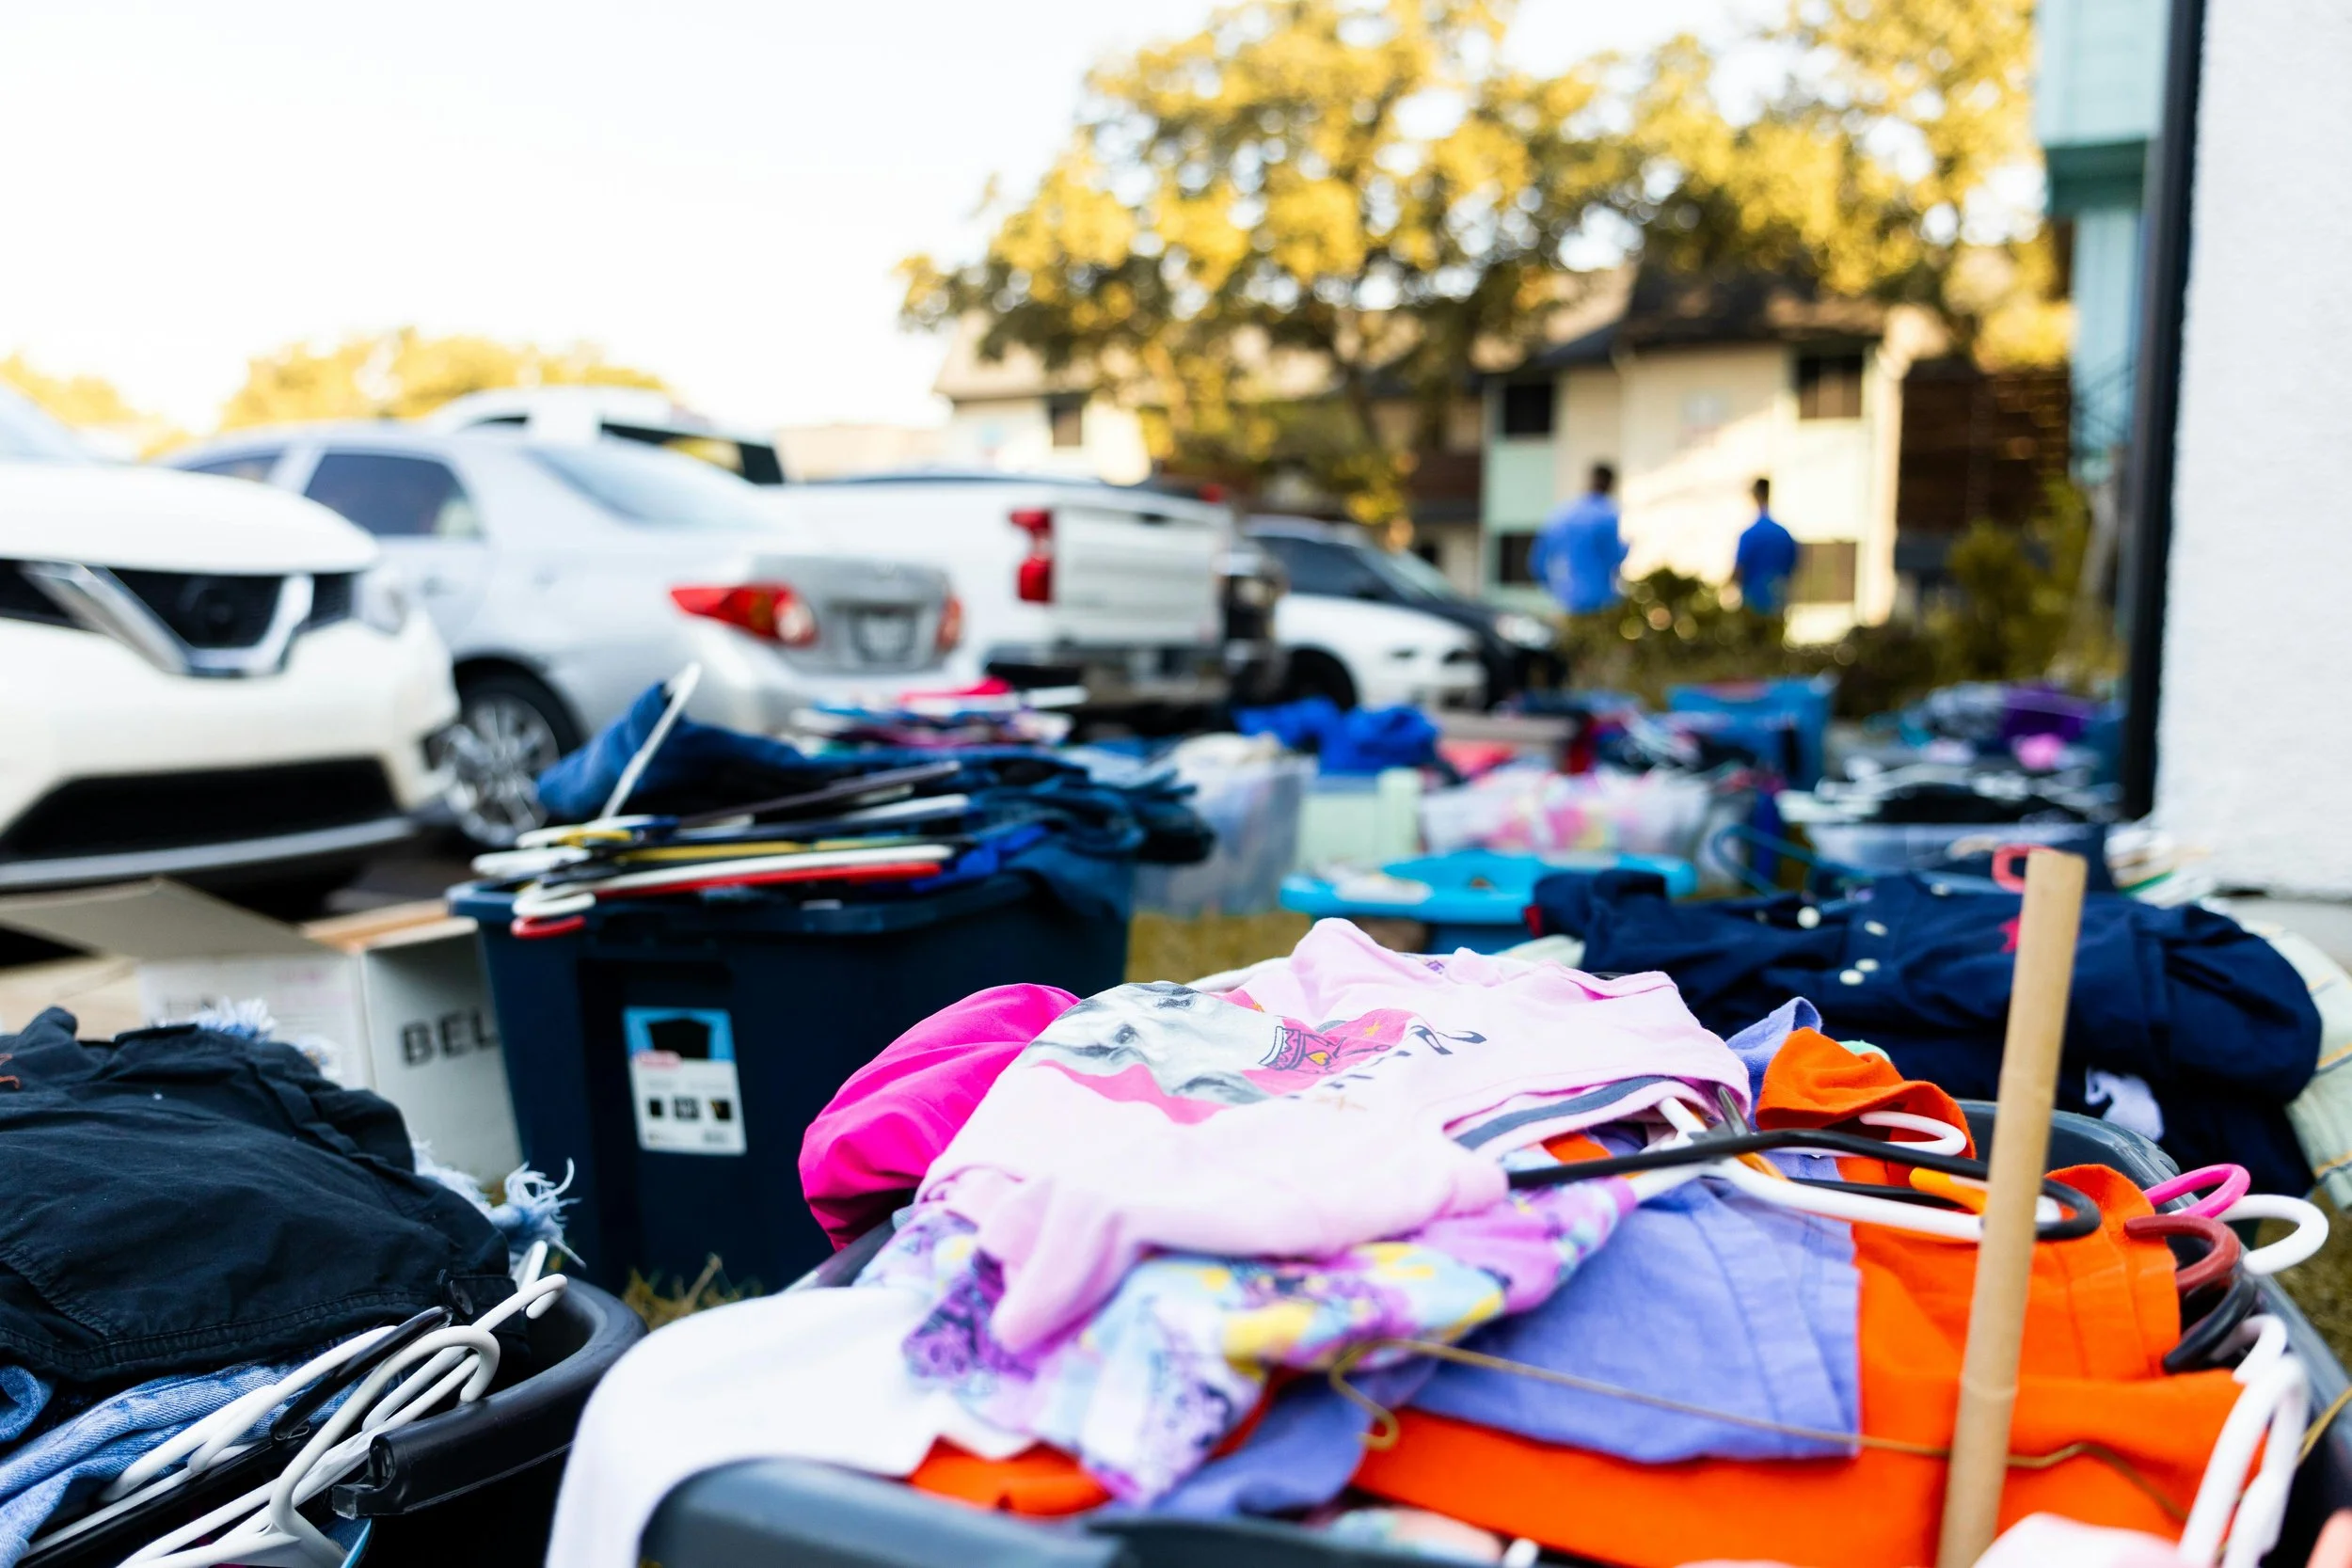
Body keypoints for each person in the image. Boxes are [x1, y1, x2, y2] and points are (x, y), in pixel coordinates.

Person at [1531, 463, 1628, 615]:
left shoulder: (1562, 514)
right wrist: (1628, 548)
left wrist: (1554, 589)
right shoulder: (1608, 513)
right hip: (1600, 604)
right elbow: (1613, 557)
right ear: (1611, 484)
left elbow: (1537, 562)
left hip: (1565, 602)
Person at [1734, 476, 1799, 613]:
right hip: (1779, 605)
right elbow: (1794, 568)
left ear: (1755, 495)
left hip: (1753, 606)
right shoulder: (1784, 534)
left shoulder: (1750, 535)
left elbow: (1739, 571)